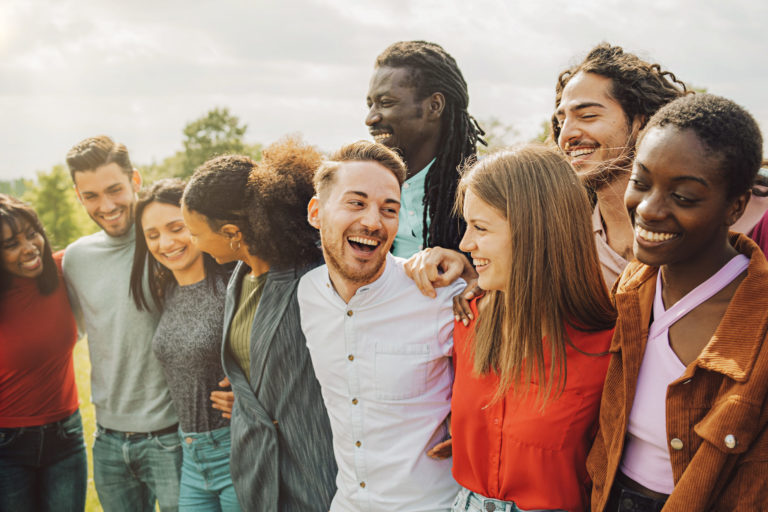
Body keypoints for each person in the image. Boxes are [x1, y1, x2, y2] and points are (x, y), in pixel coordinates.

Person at [588, 94, 768, 511]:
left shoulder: (757, 323)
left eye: (683, 197)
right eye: (641, 181)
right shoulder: (633, 285)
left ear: (736, 206)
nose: (649, 210)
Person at [299, 140, 465, 511]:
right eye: (356, 203)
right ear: (316, 212)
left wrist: (471, 416)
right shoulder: (307, 293)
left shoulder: (440, 295)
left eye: (388, 209)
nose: (373, 222)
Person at [449, 146, 616, 512]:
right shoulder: (466, 319)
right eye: (467, 225)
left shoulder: (607, 349)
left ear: (534, 232)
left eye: (480, 227)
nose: (464, 244)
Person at [181, 138, 336, 511]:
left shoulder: (313, 280)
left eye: (196, 232)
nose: (193, 243)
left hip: (312, 474)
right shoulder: (241, 277)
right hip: (259, 474)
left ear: (233, 233)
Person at [63, 135, 181, 512]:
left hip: (174, 438)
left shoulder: (167, 245)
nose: (107, 205)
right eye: (92, 195)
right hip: (108, 442)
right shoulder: (76, 260)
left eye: (115, 189)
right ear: (79, 196)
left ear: (135, 180)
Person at [129, 179, 239, 511]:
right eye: (152, 235)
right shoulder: (166, 292)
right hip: (190, 456)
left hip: (236, 448)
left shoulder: (233, 287)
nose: (166, 243)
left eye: (177, 228)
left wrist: (253, 399)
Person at [552, 43, 689, 287]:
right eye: (561, 121)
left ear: (641, 122)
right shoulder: (561, 242)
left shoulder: (702, 232)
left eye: (587, 116)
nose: (566, 135)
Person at [0, 194, 86, 512]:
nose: (29, 247)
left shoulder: (64, 270)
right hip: (6, 445)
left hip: (66, 434)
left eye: (31, 233)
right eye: (10, 244)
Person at [366, 40, 485, 257]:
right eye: (370, 105)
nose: (370, 118)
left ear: (434, 106)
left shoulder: (488, 190)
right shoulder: (363, 192)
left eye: (386, 102)